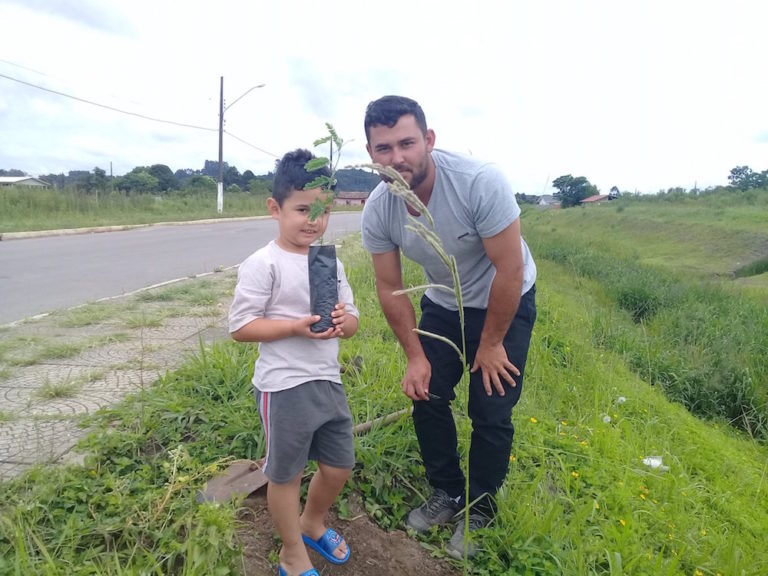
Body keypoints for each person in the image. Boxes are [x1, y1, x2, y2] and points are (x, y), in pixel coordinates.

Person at [360, 95, 537, 559]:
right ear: (370, 154)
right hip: (444, 301)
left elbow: (510, 270)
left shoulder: (478, 182)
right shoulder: (379, 208)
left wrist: (492, 342)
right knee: (426, 391)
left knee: (491, 405)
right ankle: (448, 492)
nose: (397, 157)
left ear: (429, 141)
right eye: (384, 148)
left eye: (407, 143)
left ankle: (480, 507)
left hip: (504, 298)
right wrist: (415, 356)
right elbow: (388, 287)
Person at [229, 149, 359, 576]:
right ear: (275, 209)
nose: (313, 221)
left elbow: (353, 318)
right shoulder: (262, 263)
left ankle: (312, 522)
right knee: (285, 474)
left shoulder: (329, 262)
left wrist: (345, 321)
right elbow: (241, 326)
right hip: (283, 385)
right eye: (302, 209)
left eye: (321, 211)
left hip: (327, 380)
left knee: (339, 464)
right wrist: (292, 327)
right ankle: (291, 551)